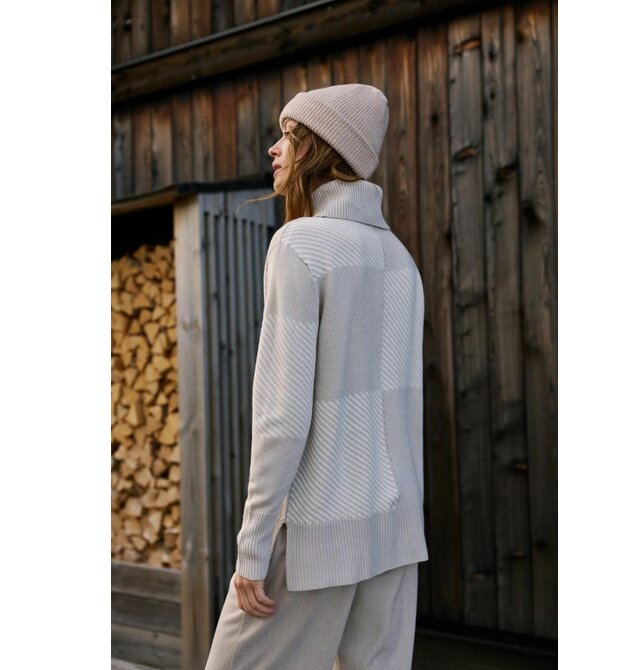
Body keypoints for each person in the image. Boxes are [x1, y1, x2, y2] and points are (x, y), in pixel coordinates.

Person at [203, 83, 428, 670]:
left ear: (324, 149)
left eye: (289, 136)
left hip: (316, 529)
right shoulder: (400, 259)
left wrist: (252, 547)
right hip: (396, 527)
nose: (274, 149)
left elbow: (282, 416)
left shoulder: (300, 244)